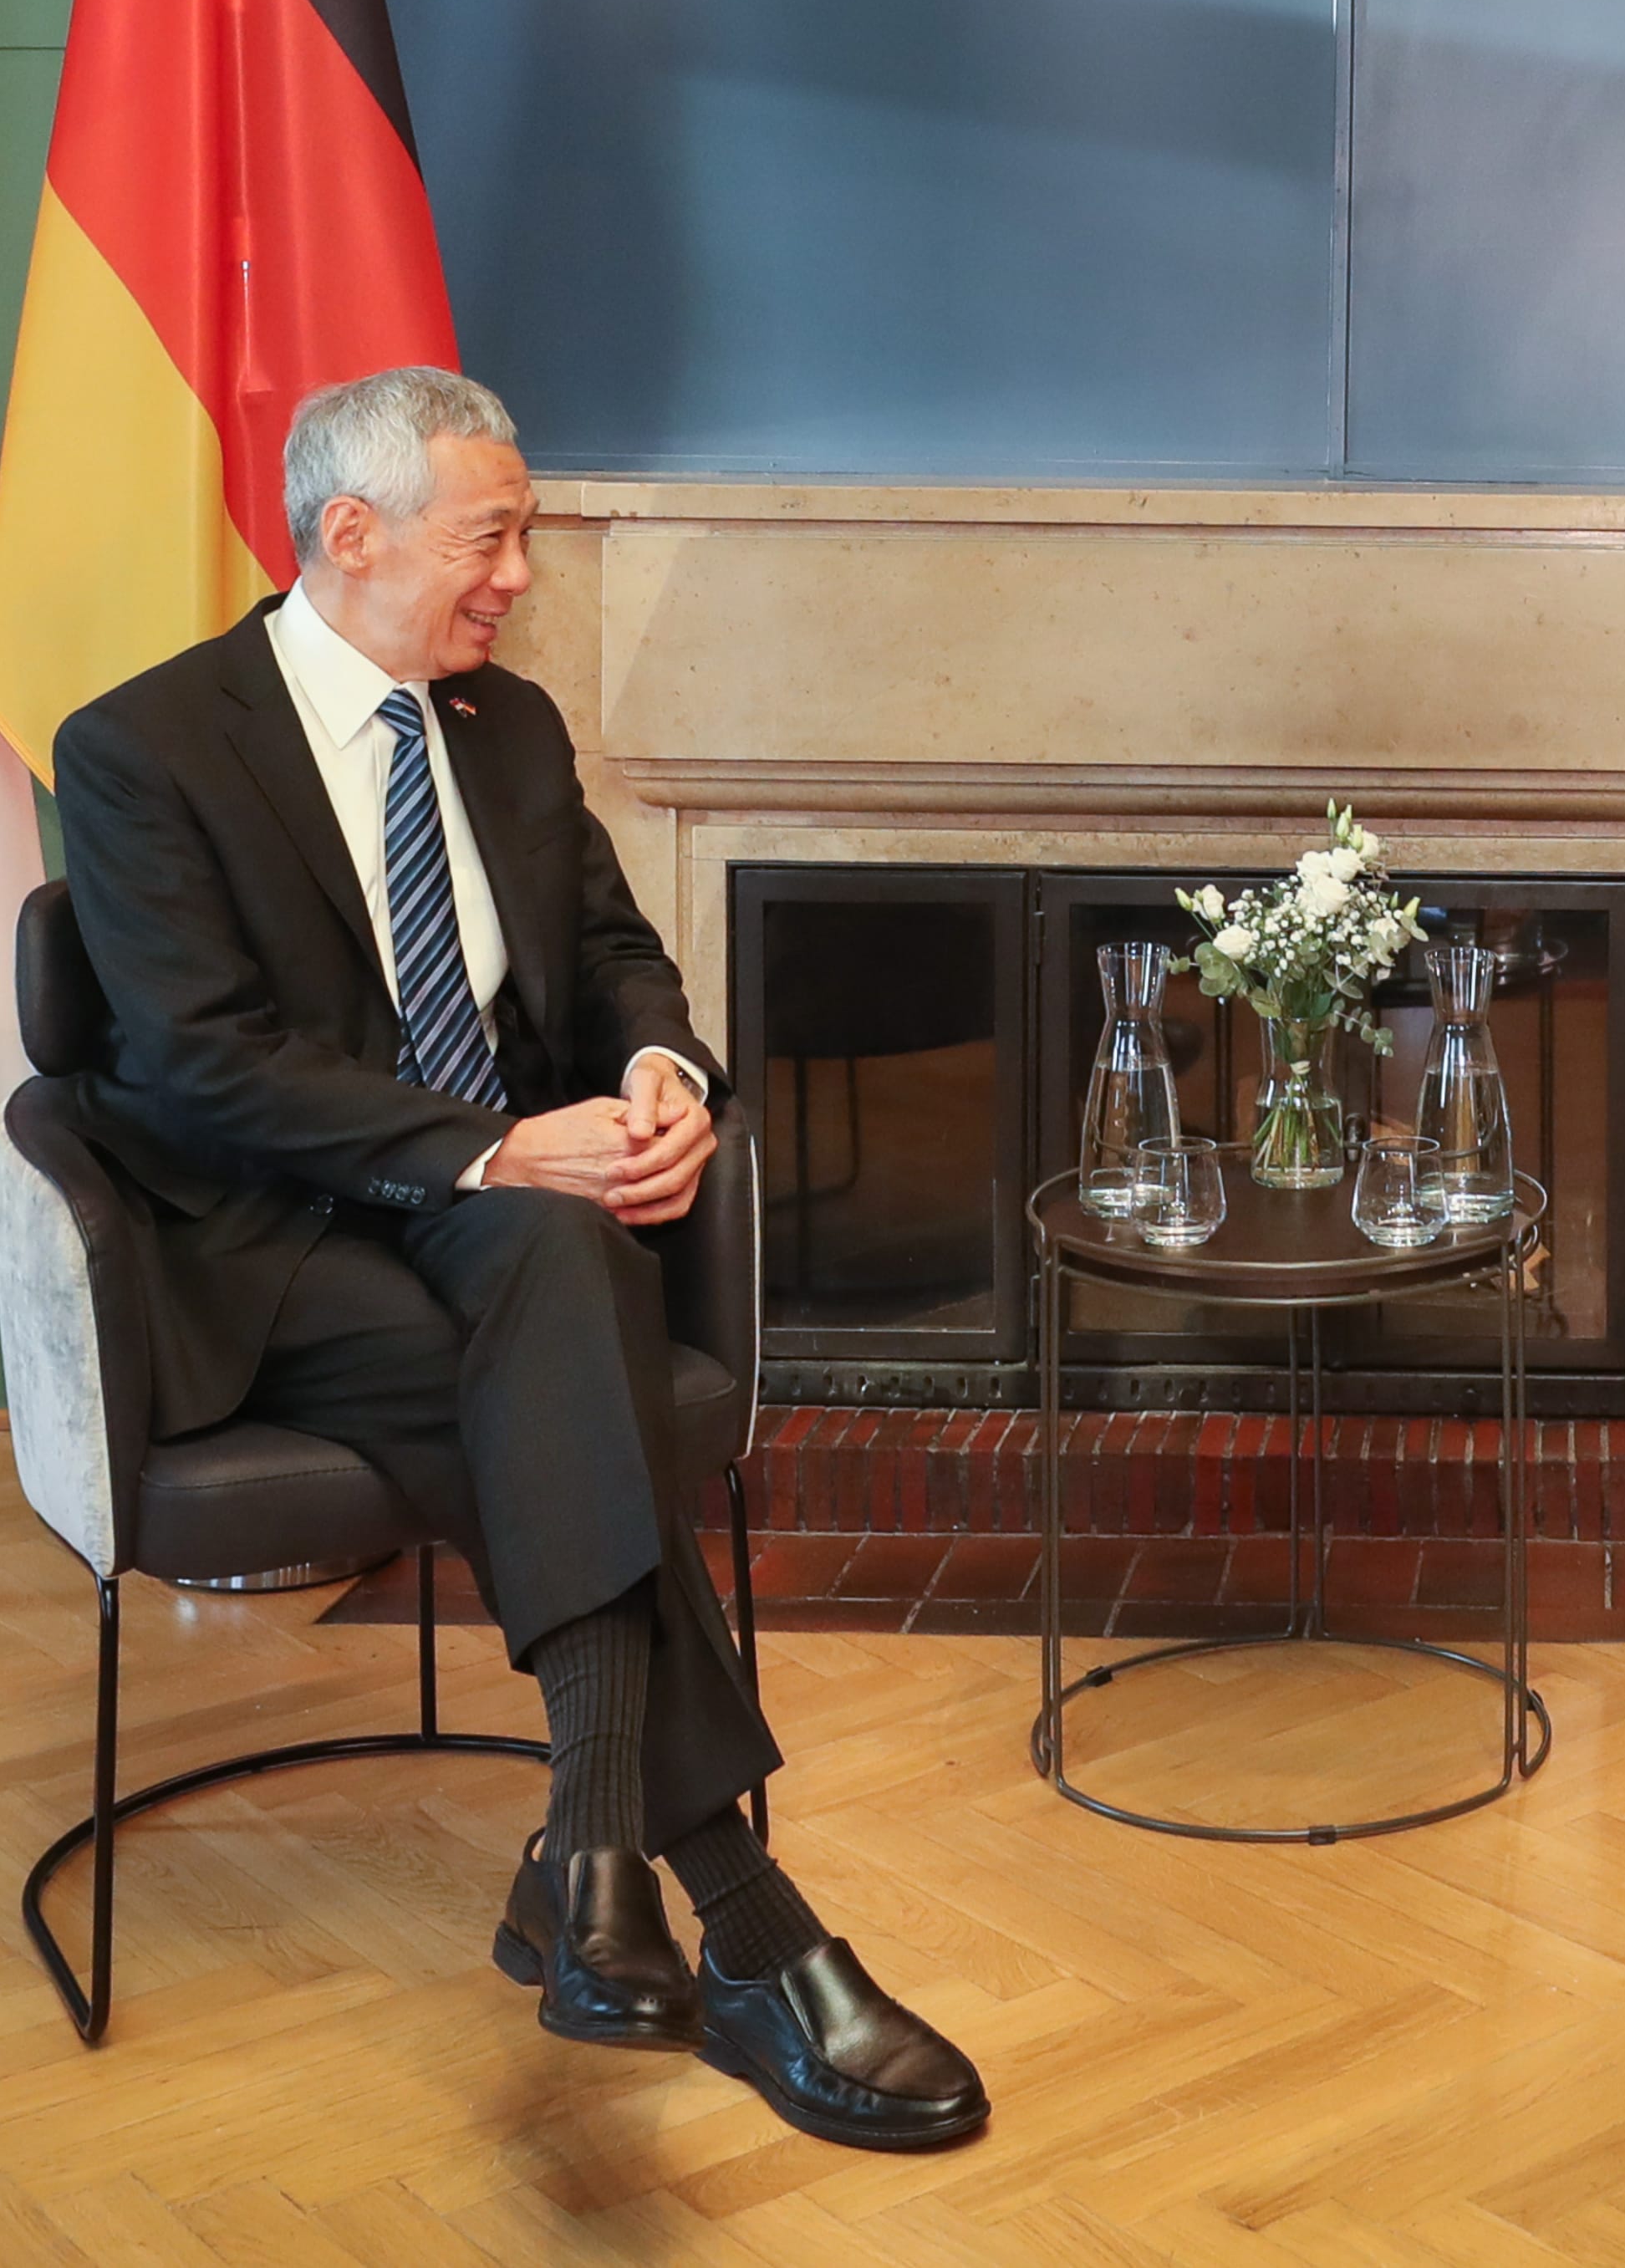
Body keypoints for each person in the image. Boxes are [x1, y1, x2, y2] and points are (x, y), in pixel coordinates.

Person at [48, 364, 986, 2151]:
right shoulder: (145, 747)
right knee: (573, 1347)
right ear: (351, 532)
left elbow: (619, 954)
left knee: (557, 1283)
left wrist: (657, 1074)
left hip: (514, 1240)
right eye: (494, 535)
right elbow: (199, 1062)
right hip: (277, 1246)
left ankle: (602, 1859)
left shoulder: (506, 727)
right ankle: (737, 1920)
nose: (521, 577)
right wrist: (487, 1146)